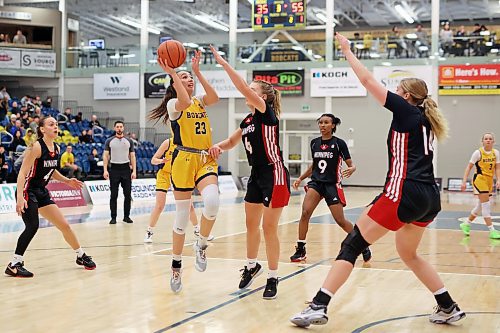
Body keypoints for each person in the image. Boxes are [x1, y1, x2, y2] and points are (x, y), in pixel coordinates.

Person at [290, 32, 465, 327]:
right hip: (429, 197)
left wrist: (346, 51)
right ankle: (447, 305)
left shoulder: (406, 111)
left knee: (351, 245)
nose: (395, 92)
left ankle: (318, 306)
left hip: (403, 192)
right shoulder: (426, 122)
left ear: (406, 96)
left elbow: (369, 82)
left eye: (398, 90)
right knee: (408, 253)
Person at [209, 45, 290, 299]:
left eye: (254, 90)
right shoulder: (247, 121)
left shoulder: (267, 114)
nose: (248, 92)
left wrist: (223, 64)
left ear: (263, 97)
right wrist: (217, 147)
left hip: (274, 173)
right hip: (256, 174)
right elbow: (232, 142)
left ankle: (273, 277)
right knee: (251, 225)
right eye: (251, 89)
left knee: (269, 228)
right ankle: (252, 264)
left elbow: (242, 87)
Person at [150, 50, 220, 293]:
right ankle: (176, 265)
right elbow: (185, 101)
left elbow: (215, 96)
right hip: (182, 159)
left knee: (212, 202)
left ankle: (200, 244)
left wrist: (199, 71)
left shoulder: (200, 100)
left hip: (205, 158)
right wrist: (172, 73)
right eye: (184, 77)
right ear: (174, 83)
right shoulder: (174, 104)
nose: (189, 79)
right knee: (181, 217)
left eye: (190, 77)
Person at [4, 116, 95, 278]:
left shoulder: (57, 149)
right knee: (32, 226)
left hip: (41, 191)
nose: (55, 127)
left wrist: (67, 181)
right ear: (42, 129)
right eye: (51, 124)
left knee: (64, 225)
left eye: (57, 124)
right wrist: (19, 196)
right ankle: (14, 264)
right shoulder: (37, 147)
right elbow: (23, 172)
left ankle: (80, 255)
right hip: (28, 190)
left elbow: (51, 171)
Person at [290, 114, 371, 263]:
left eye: (326, 123)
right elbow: (314, 165)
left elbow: (350, 164)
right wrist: (301, 178)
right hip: (316, 183)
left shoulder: (339, 143)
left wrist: (352, 168)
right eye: (320, 122)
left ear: (333, 126)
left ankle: (362, 244)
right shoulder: (314, 143)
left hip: (332, 184)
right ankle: (300, 249)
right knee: (305, 213)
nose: (322, 125)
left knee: (340, 220)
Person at [144, 138, 214, 243]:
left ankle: (197, 230)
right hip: (164, 174)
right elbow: (153, 160)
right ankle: (149, 231)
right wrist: (161, 161)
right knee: (160, 205)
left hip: (178, 175)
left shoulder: (188, 143)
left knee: (189, 205)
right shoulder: (168, 142)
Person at [460, 133, 500, 239]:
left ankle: (466, 224)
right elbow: (468, 167)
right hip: (479, 179)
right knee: (486, 205)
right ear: (482, 141)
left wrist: (498, 180)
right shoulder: (478, 153)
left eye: (490, 139)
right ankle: (492, 230)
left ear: (493, 142)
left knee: (479, 205)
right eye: (486, 139)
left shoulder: (496, 153)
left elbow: (497, 168)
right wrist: (464, 181)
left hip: (489, 181)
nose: (488, 140)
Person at [103, 121, 137, 224]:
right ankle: (113, 217)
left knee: (127, 194)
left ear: (123, 128)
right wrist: (105, 170)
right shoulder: (109, 141)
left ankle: (126, 216)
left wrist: (134, 171)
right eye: (117, 127)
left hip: (126, 169)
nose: (119, 128)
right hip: (114, 169)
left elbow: (132, 156)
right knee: (114, 195)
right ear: (114, 128)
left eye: (121, 127)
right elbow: (105, 156)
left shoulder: (129, 141)